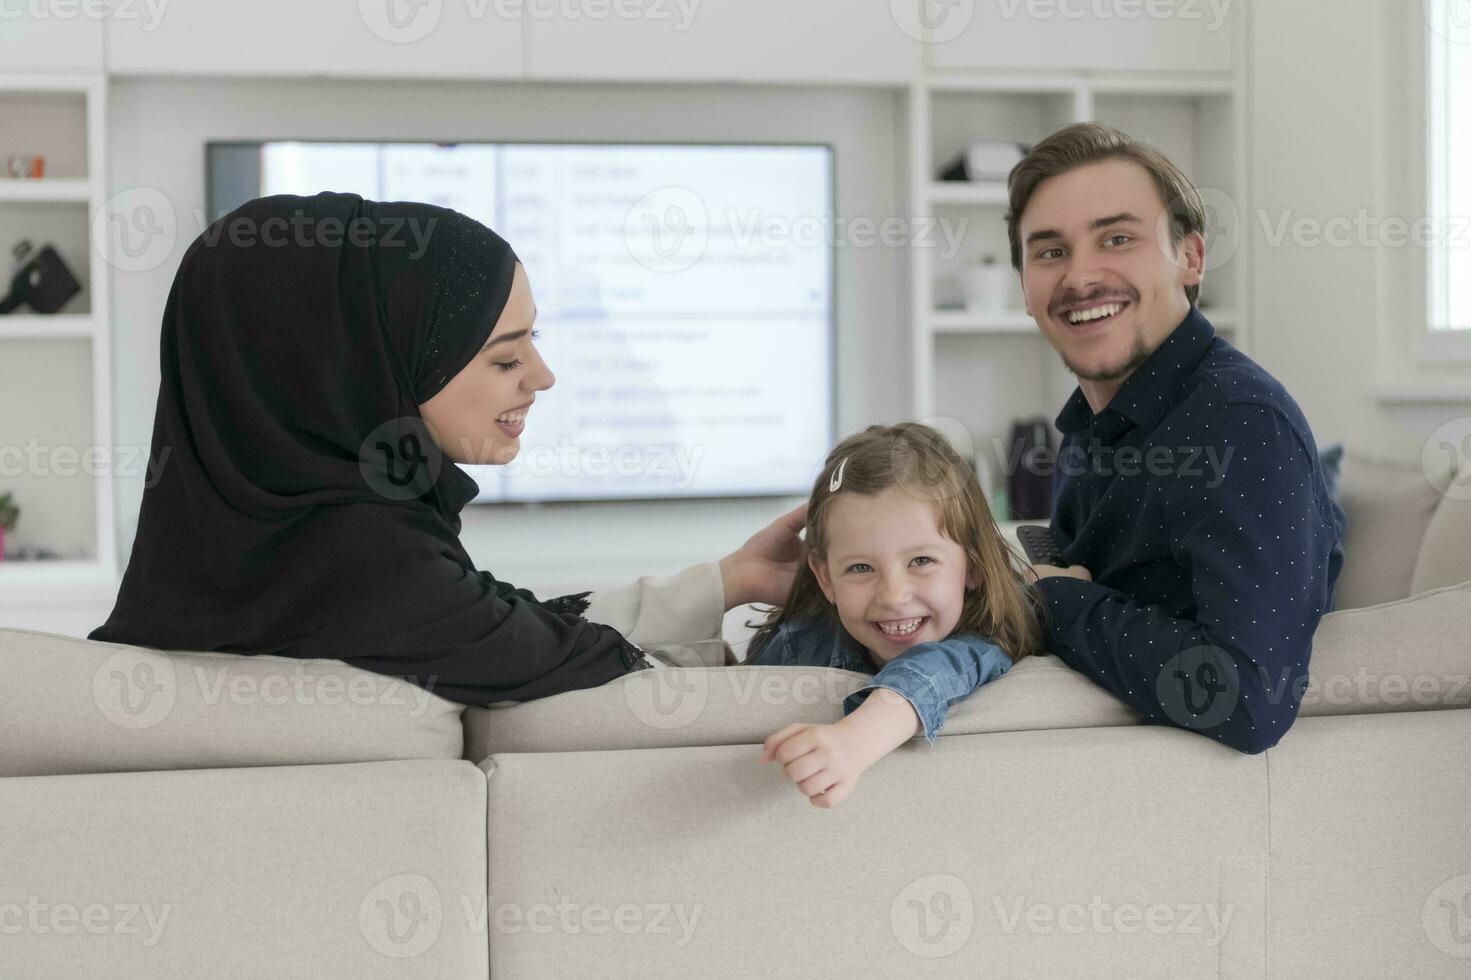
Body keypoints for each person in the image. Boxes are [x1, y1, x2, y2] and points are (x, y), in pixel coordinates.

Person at [90, 192, 804, 705]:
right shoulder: (371, 566)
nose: (543, 377)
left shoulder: (238, 560)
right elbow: (577, 661)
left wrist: (731, 579)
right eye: (503, 358)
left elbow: (502, 623)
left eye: (534, 342)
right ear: (364, 369)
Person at [1005, 123, 1347, 753]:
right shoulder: (1092, 421)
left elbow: (1246, 698)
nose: (1081, 278)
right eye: (1050, 252)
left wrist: (1056, 601)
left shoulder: (1238, 423)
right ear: (1025, 288)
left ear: (1190, 257)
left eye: (1117, 238)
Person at [749, 422, 1045, 808]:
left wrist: (854, 741)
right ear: (826, 578)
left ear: (972, 565)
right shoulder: (796, 645)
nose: (893, 596)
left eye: (921, 561)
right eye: (860, 568)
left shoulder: (986, 640)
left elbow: (935, 671)